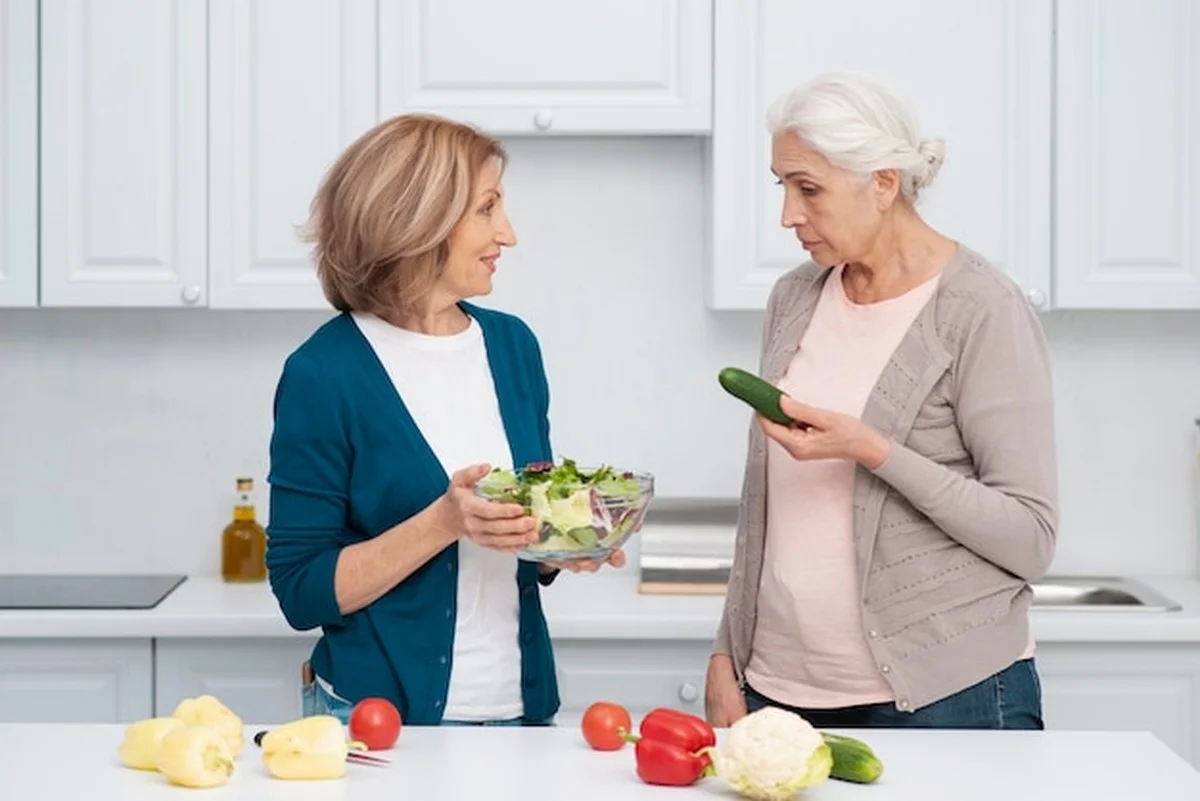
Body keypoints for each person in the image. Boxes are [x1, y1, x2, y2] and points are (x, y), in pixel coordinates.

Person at [705, 72, 1058, 730]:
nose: (788, 215)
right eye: (781, 186)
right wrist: (729, 649)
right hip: (781, 692)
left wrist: (871, 449)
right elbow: (765, 497)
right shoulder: (794, 298)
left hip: (949, 693)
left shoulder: (981, 309)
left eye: (808, 188)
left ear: (884, 183)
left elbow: (1031, 536)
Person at [265, 113, 623, 727]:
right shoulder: (325, 373)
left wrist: (556, 545)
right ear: (418, 218)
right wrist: (443, 520)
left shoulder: (513, 347)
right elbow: (302, 590)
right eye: (487, 209)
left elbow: (516, 523)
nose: (506, 234)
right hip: (381, 725)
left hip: (521, 710)